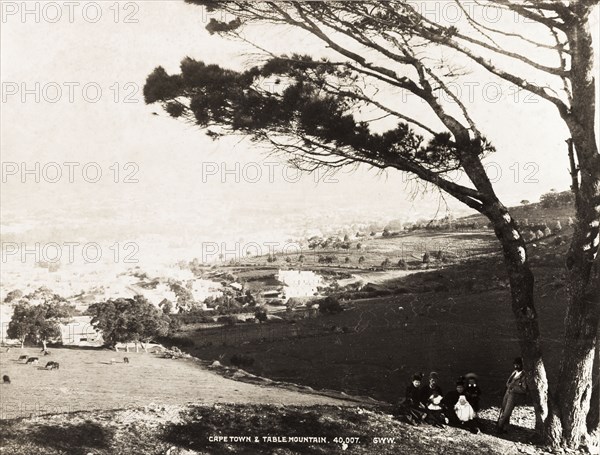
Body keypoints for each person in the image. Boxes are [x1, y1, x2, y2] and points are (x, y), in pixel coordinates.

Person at [497, 357, 528, 433]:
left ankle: (499, 427)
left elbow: (524, 389)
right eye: (515, 365)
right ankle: (504, 428)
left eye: (518, 365)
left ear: (522, 365)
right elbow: (508, 382)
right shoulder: (514, 372)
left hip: (514, 396)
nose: (516, 367)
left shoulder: (524, 375)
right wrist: (509, 387)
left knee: (507, 412)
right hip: (507, 393)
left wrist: (513, 389)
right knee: (504, 409)